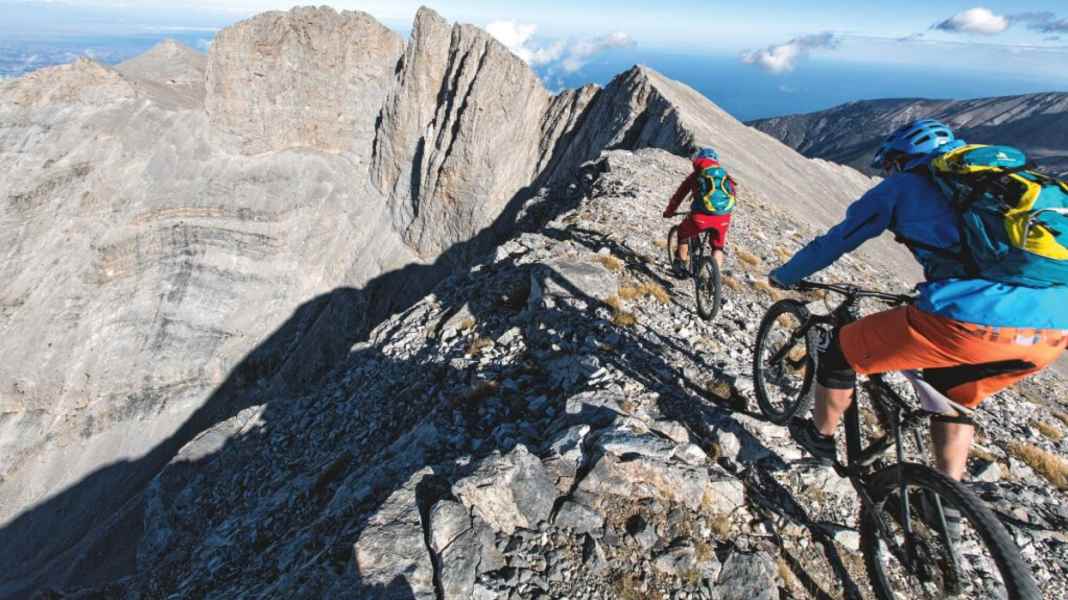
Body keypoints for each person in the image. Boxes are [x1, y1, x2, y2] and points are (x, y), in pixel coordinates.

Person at [768, 119, 1068, 488]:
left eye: (891, 165)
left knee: (837, 352)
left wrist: (785, 275)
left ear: (901, 159)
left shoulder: (901, 187)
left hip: (966, 319)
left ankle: (820, 437)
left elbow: (836, 241)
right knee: (952, 397)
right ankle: (949, 502)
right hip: (1053, 330)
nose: (889, 172)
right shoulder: (990, 186)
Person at [663, 147, 737, 276]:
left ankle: (681, 266)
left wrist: (669, 212)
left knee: (682, 232)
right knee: (717, 247)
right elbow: (733, 197)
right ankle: (714, 279)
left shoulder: (696, 175)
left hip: (700, 218)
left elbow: (678, 196)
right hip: (723, 218)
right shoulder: (725, 176)